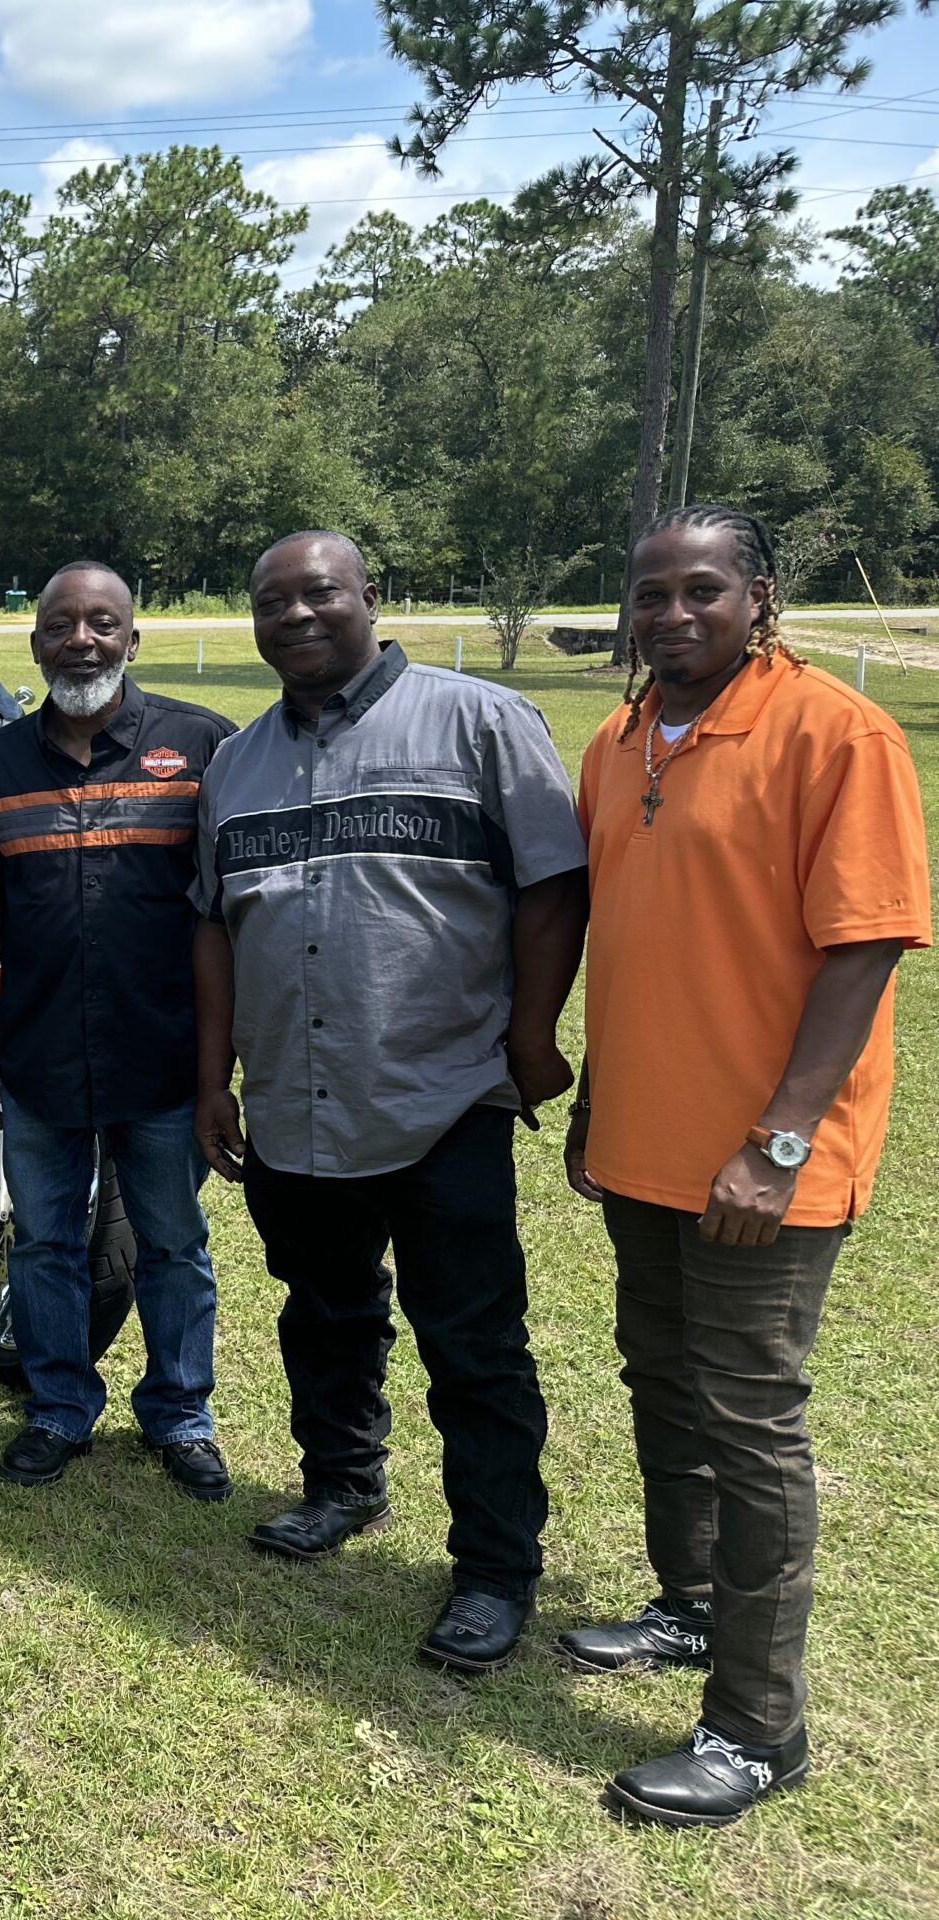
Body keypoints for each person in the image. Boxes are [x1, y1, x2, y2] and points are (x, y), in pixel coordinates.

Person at [559, 505, 929, 1827]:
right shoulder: (618, 740)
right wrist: (603, 1100)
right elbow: (638, 935)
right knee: (663, 1378)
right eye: (649, 595)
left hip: (763, 1167)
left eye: (699, 592)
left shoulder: (836, 734)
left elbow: (867, 944)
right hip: (650, 1146)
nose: (670, 617)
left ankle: (758, 1731)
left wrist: (776, 1144)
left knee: (752, 1422)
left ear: (757, 598)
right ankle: (693, 1602)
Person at [192, 529, 587, 1674]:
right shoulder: (239, 761)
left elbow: (552, 884)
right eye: (274, 602)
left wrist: (527, 1033)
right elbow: (213, 927)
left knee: (471, 1343)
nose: (297, 617)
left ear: (370, 597)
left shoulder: (478, 721)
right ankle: (340, 1484)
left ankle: (496, 1566)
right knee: (323, 1315)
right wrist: (213, 1076)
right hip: (296, 1103)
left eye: (320, 594)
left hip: (442, 1095)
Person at [0, 563, 236, 1495]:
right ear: (35, 646)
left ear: (132, 639)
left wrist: (219, 1064)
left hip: (163, 1055)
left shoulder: (200, 747)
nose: (82, 639)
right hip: (38, 1054)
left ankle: (181, 1414)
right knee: (46, 1245)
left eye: (103, 623)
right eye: (61, 625)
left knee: (172, 1245)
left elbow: (222, 914)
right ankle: (60, 1408)